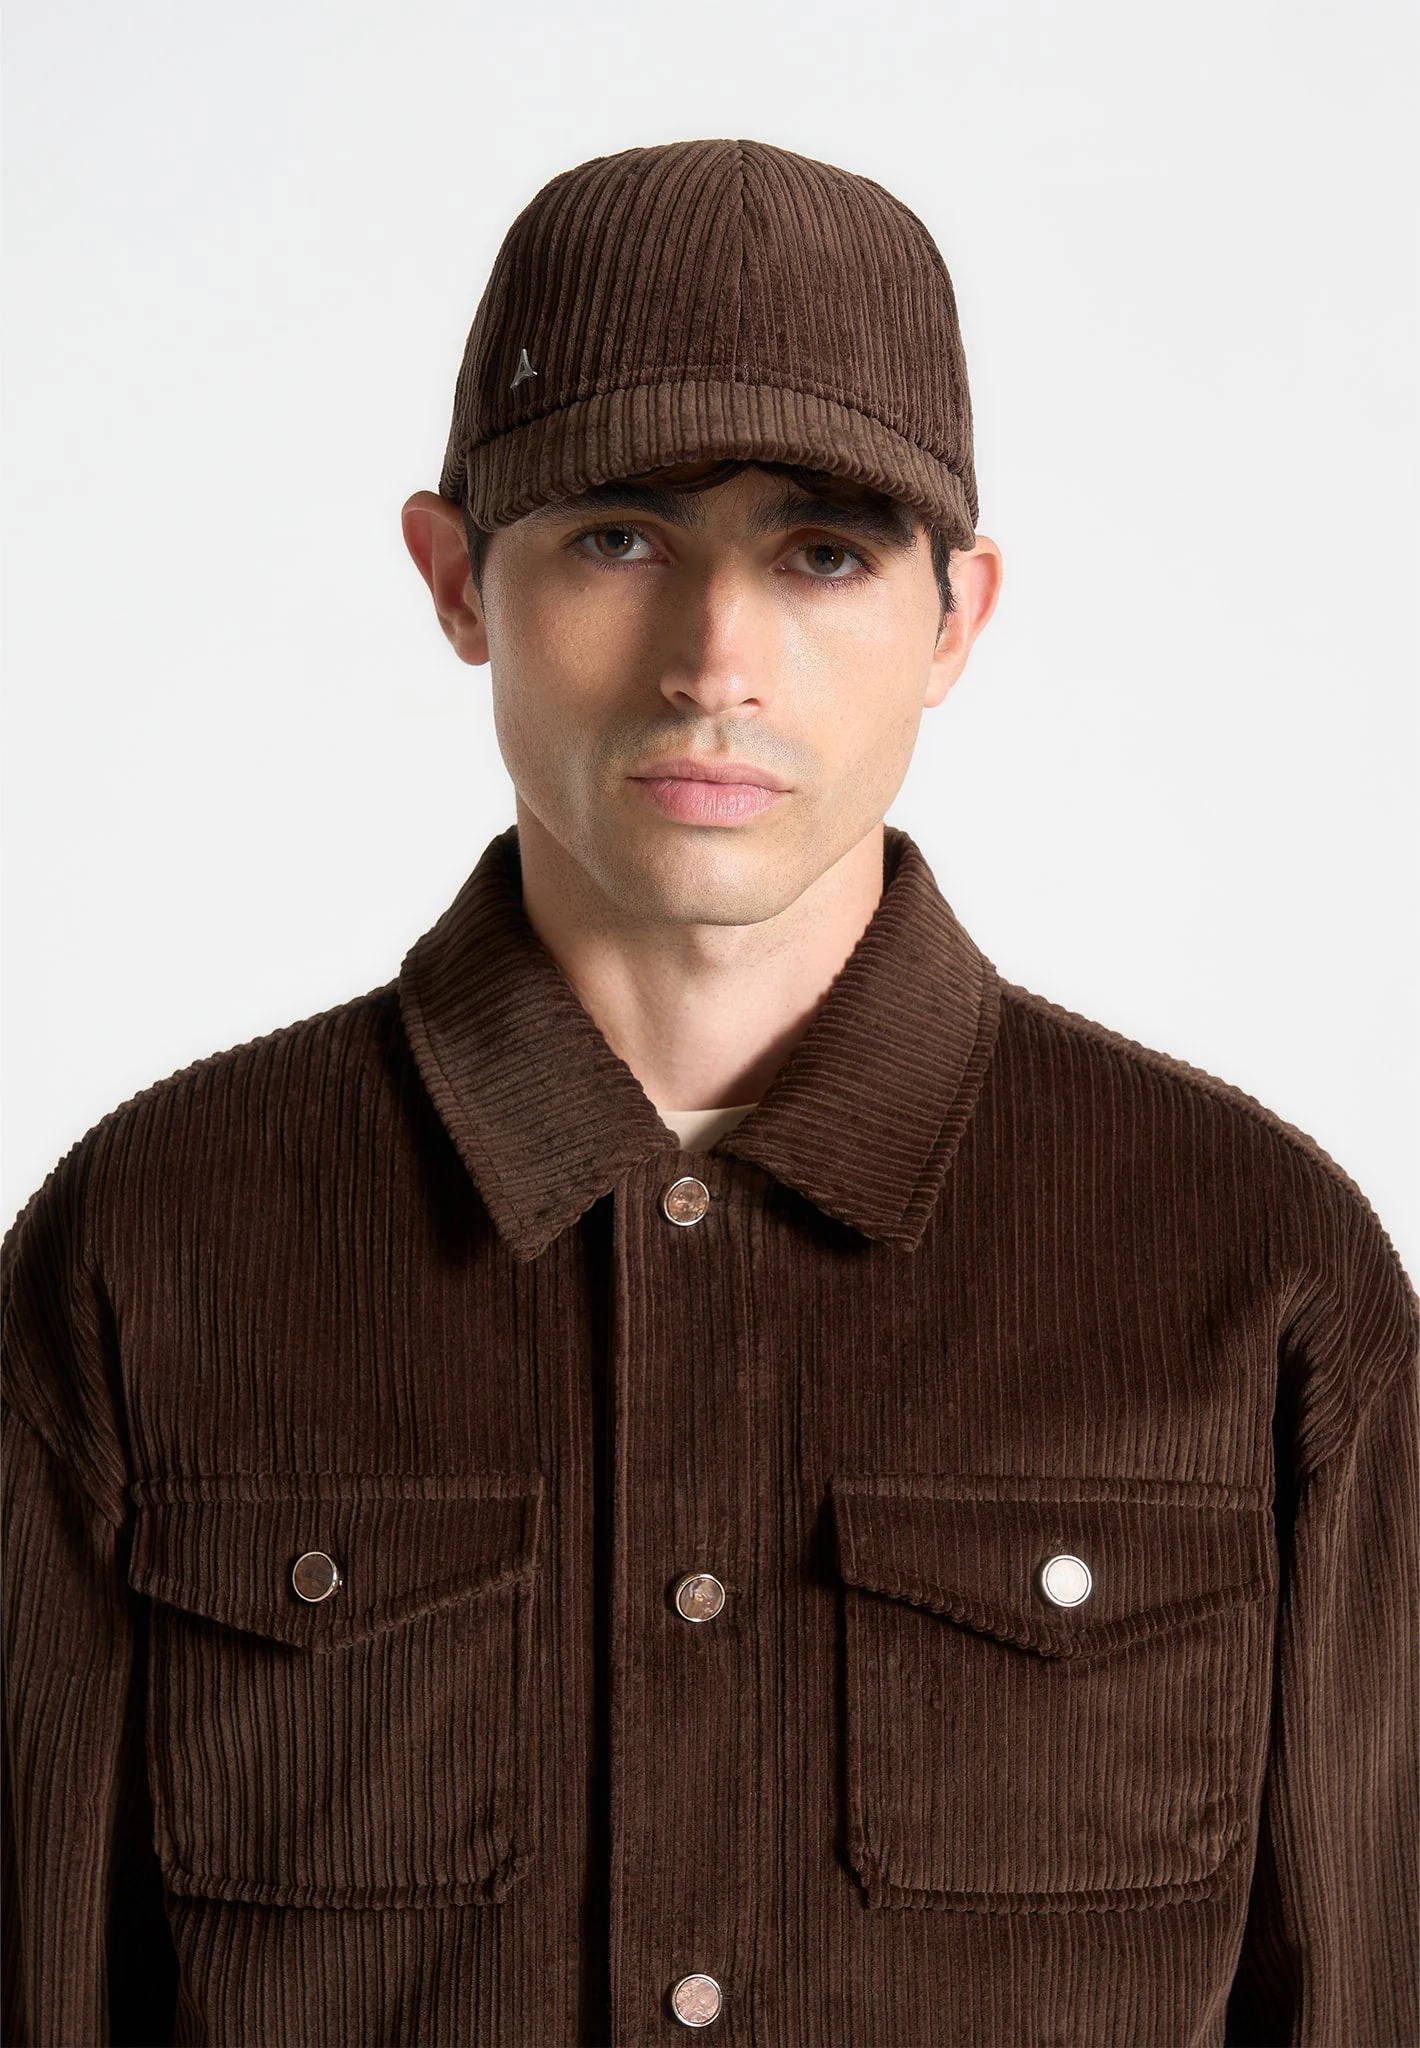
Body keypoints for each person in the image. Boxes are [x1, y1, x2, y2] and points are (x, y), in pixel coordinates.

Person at [2, 137, 1415, 2048]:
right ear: (455, 579)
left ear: (957, 618)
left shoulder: (1259, 1270)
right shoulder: (149, 1249)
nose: (713, 663)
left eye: (823, 553)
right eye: (618, 538)